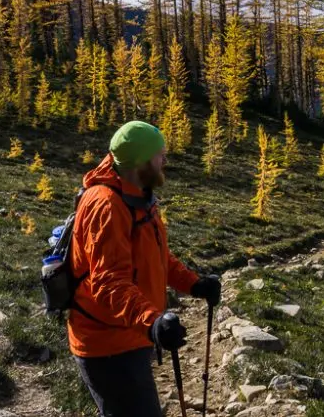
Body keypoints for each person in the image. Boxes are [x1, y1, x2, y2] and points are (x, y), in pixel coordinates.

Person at [69, 121, 221, 417]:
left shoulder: (137, 194)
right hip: (108, 345)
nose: (165, 159)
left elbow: (155, 257)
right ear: (140, 162)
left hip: (129, 334)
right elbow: (108, 283)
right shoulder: (108, 207)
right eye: (159, 154)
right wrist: (152, 322)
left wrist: (194, 284)